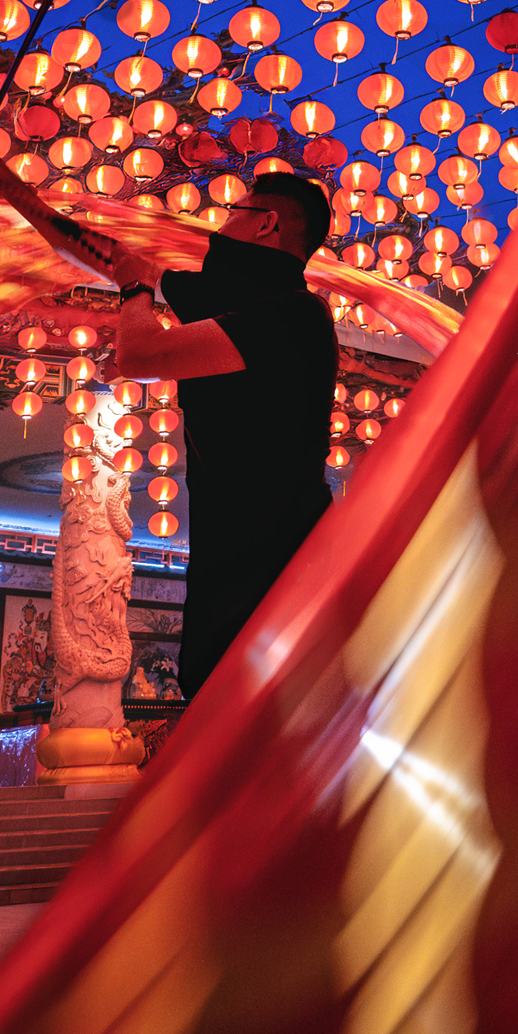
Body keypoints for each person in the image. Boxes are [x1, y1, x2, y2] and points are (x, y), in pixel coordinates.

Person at [113, 172, 338, 702]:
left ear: (267, 224)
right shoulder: (250, 302)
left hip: (280, 567)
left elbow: (138, 353)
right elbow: (109, 256)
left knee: (255, 717)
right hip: (240, 556)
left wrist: (135, 290)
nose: (220, 225)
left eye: (233, 210)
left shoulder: (294, 315)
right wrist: (15, 196)